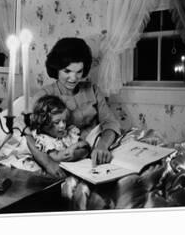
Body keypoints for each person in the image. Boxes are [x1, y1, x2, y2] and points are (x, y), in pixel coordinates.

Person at [28, 37, 121, 177]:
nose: (73, 78)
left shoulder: (93, 89)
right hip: (71, 156)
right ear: (56, 68)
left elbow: (110, 123)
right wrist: (48, 163)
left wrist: (102, 146)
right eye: (67, 71)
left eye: (79, 71)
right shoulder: (43, 96)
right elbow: (27, 133)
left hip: (98, 146)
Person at [30, 95, 90, 162]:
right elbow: (57, 157)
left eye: (64, 121)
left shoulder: (68, 133)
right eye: (57, 122)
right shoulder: (44, 139)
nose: (62, 126)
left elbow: (86, 148)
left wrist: (78, 152)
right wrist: (75, 147)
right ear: (44, 124)